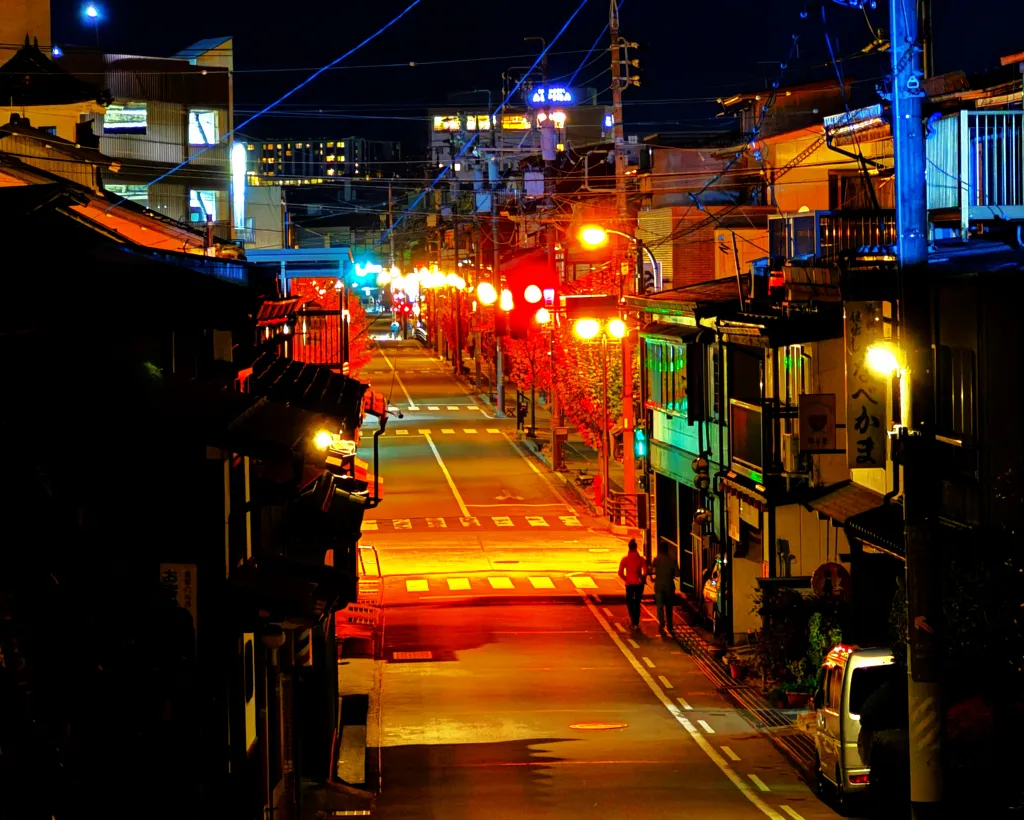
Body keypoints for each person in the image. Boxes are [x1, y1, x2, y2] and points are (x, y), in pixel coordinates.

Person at [618, 539, 647, 629]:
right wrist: (641, 578)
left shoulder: (625, 559)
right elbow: (645, 571)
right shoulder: (641, 559)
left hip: (629, 584)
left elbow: (620, 573)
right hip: (638, 584)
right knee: (637, 602)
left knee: (629, 601)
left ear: (629, 548)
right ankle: (636, 621)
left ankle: (632, 616)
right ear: (636, 547)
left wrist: (626, 578)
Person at [651, 542, 678, 633]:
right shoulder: (672, 560)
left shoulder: (656, 559)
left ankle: (661, 623)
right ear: (667, 550)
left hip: (658, 586)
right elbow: (677, 574)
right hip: (669, 586)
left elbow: (651, 571)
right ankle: (669, 625)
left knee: (660, 606)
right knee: (669, 607)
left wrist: (653, 578)